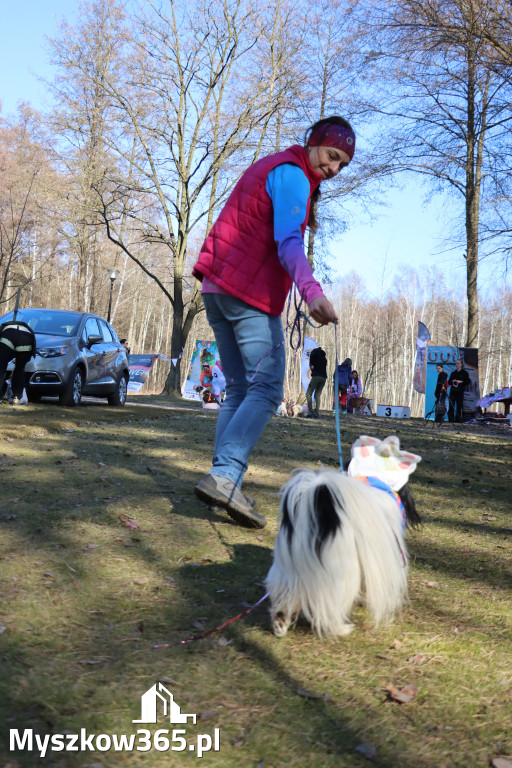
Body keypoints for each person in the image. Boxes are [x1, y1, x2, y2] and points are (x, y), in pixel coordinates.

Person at [192, 116, 353, 528]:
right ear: (314, 144)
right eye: (332, 156)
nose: (334, 168)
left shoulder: (276, 166)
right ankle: (226, 474)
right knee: (265, 389)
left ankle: (222, 477)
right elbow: (288, 241)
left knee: (240, 390)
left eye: (342, 165)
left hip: (217, 287)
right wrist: (312, 292)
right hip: (247, 295)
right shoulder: (293, 175)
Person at [0, 319, 36, 406]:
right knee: (20, 369)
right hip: (27, 338)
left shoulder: (4, 328)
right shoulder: (26, 328)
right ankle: (16, 398)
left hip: (9, 336)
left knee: (1, 367)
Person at [305, 345, 327, 418]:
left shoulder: (313, 355)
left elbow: (312, 366)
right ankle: (316, 412)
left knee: (308, 393)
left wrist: (312, 368)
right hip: (323, 378)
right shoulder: (324, 359)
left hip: (316, 376)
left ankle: (310, 411)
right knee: (317, 395)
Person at [447, 359, 470, 423]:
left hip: (460, 392)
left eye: (458, 363)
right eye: (456, 363)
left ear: (461, 364)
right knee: (451, 406)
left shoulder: (464, 373)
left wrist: (461, 382)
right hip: (453, 392)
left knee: (459, 407)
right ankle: (451, 420)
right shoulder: (453, 373)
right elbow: (449, 382)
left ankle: (458, 420)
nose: (456, 365)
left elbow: (467, 382)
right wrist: (452, 381)